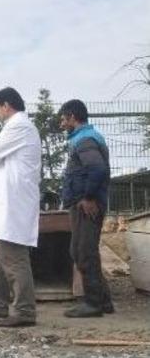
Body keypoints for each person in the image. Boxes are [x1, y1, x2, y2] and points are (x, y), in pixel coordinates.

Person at [0, 87, 41, 328]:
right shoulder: (17, 128)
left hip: (14, 205)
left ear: (6, 105)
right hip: (6, 206)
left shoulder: (18, 126)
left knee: (14, 258)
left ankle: (25, 310)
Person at [58, 99, 115, 317]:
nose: (62, 123)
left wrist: (89, 197)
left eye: (64, 118)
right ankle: (103, 301)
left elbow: (97, 168)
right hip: (84, 203)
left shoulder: (85, 139)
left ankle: (93, 304)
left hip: (87, 206)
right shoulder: (83, 138)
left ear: (72, 116)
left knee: (83, 252)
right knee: (82, 250)